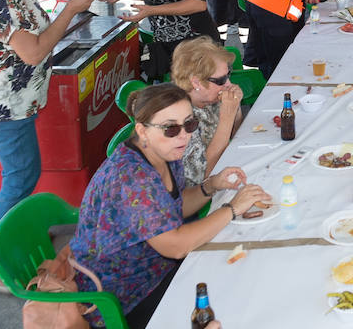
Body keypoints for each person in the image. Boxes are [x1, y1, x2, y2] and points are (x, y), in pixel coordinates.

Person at [69, 84, 267, 328]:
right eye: (171, 128)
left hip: (155, 269)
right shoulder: (132, 178)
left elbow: (172, 208)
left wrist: (211, 186)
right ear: (142, 131)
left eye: (190, 124)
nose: (184, 135)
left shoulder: (163, 152)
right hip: (126, 292)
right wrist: (232, 209)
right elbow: (176, 246)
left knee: (248, 272)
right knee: (237, 301)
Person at [0, 0, 94, 291]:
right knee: (20, 177)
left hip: (11, 102)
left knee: (22, 174)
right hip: (4, 108)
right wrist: (70, 10)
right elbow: (35, 49)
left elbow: (11, 18)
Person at [170, 37, 243, 187]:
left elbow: (239, 138)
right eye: (221, 80)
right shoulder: (180, 120)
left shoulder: (209, 99)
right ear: (196, 83)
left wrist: (235, 109)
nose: (228, 84)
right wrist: (227, 117)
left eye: (228, 75)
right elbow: (204, 178)